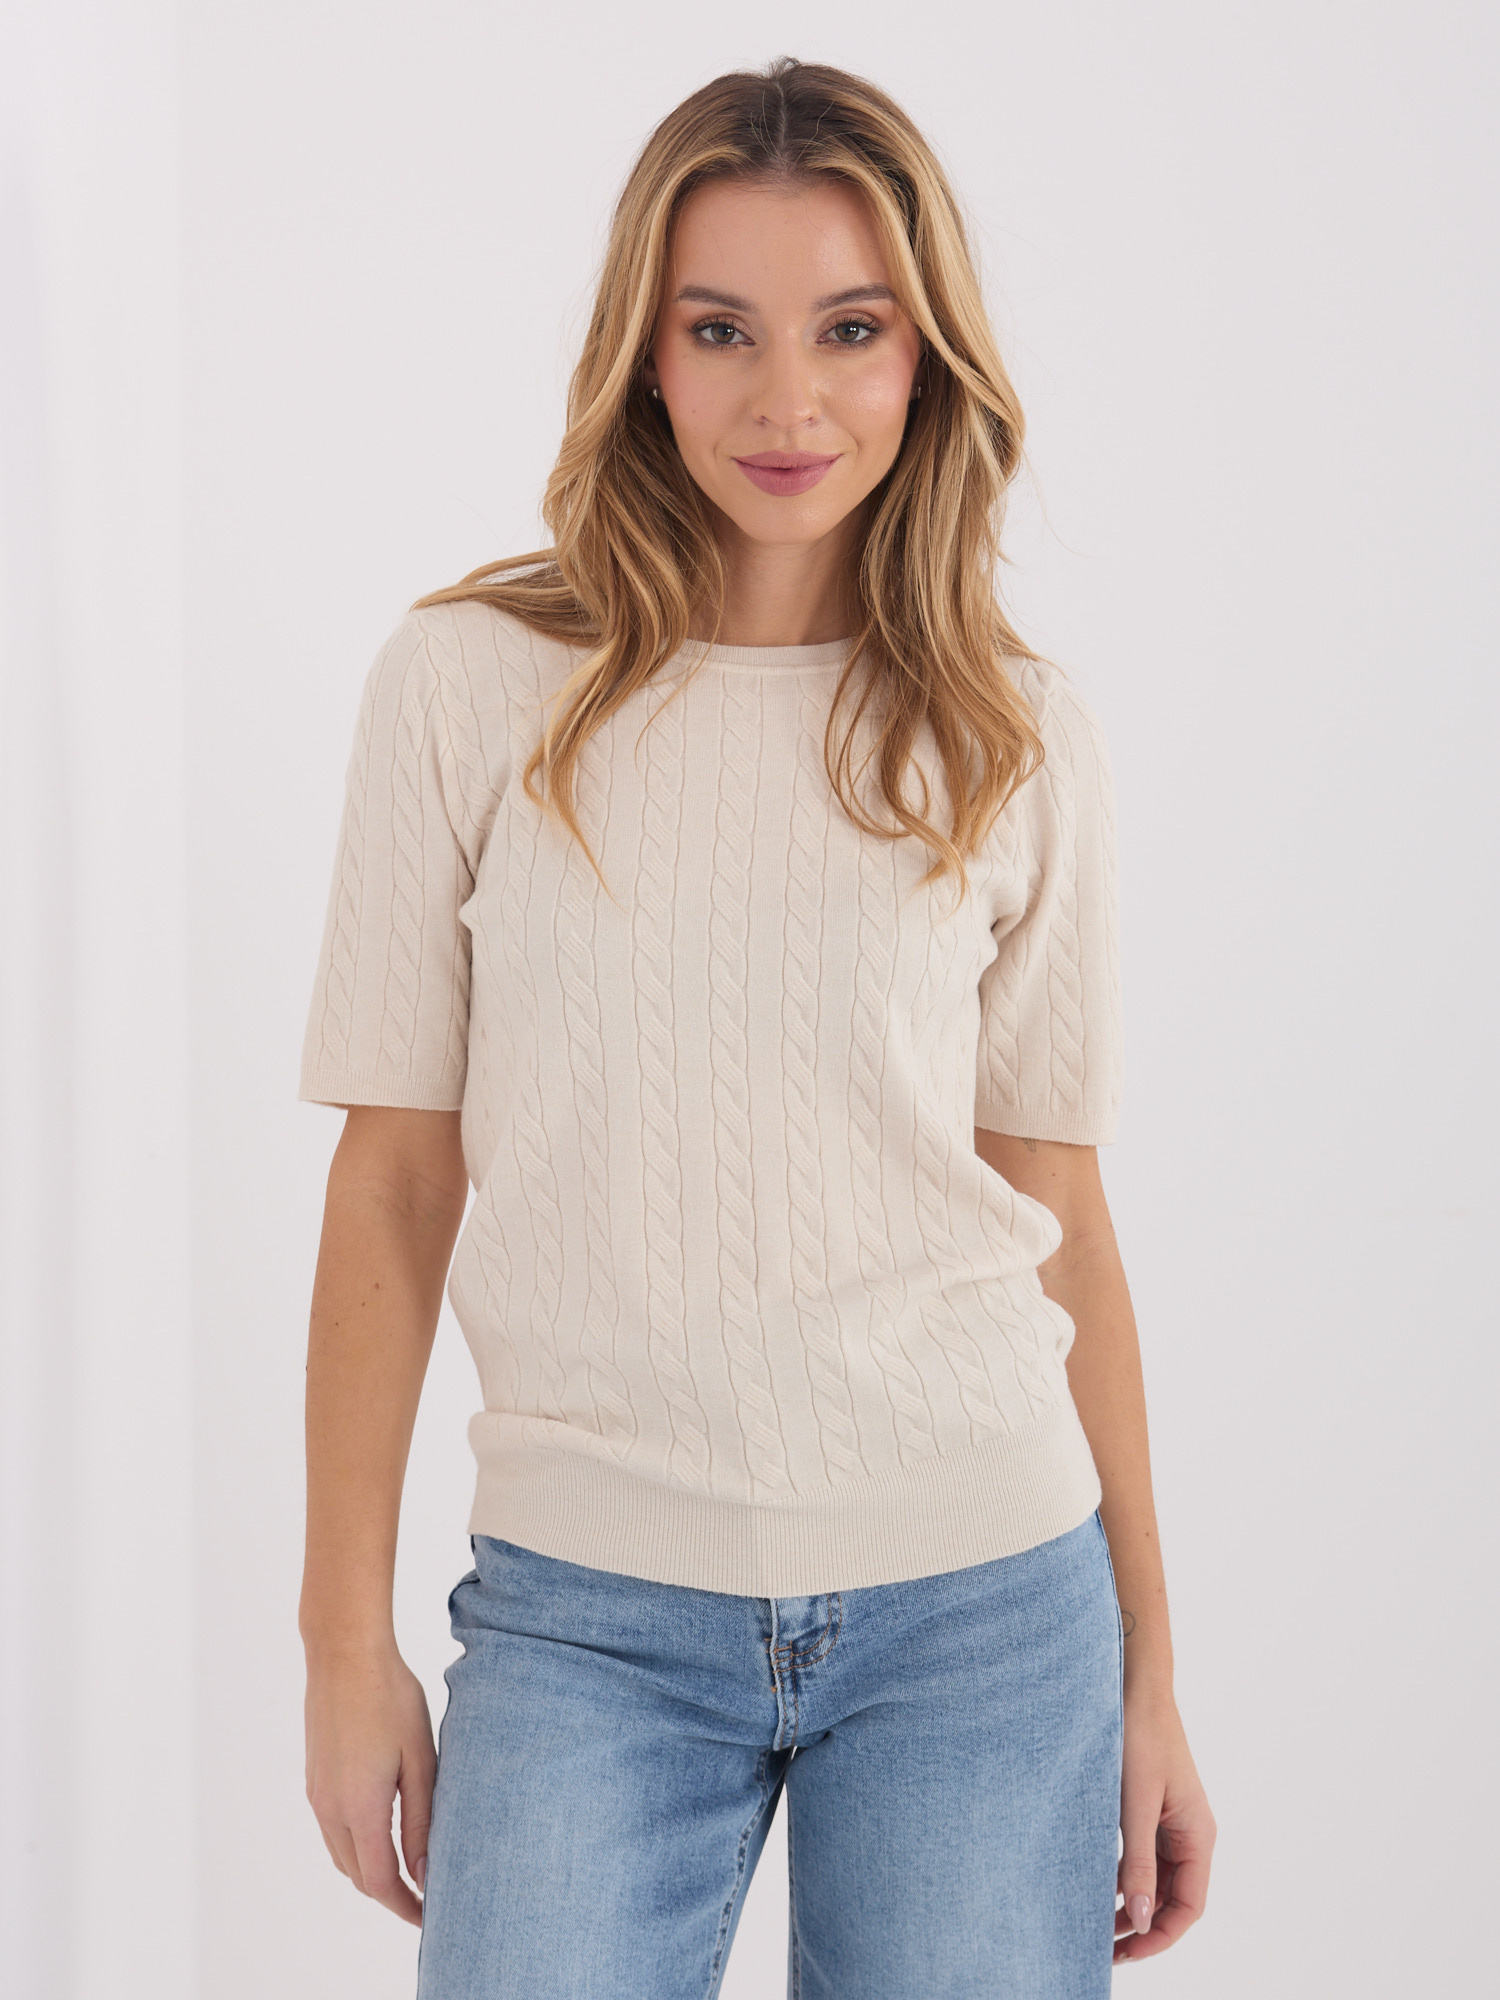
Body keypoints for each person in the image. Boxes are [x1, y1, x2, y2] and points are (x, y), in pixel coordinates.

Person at [295, 55, 1215, 1999]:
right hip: (586, 1618)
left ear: (926, 359)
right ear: (645, 356)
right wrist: (340, 1641)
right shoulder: (467, 688)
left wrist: (1153, 1668)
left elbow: (1058, 1213)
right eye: (721, 330)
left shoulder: (1014, 735)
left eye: (850, 331)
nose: (787, 400)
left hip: (984, 1609)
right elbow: (392, 1183)